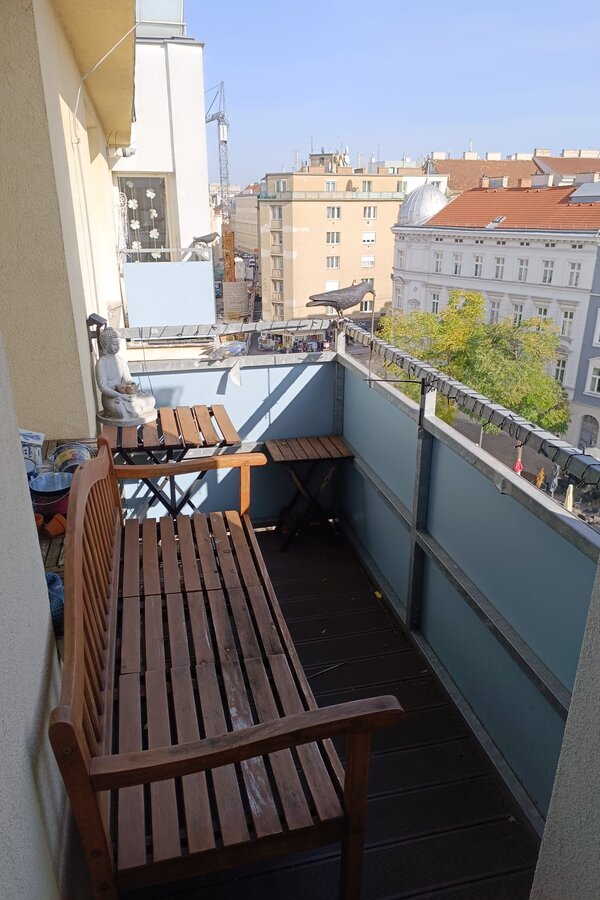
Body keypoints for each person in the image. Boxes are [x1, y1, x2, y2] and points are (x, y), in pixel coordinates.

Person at [95, 327, 156, 424]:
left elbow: (127, 379)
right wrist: (120, 395)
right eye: (114, 343)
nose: (117, 346)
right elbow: (102, 387)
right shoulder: (102, 362)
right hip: (111, 397)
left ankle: (135, 408)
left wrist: (131, 386)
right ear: (106, 345)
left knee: (150, 399)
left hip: (125, 394)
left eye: (118, 343)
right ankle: (132, 410)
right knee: (121, 411)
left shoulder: (120, 360)